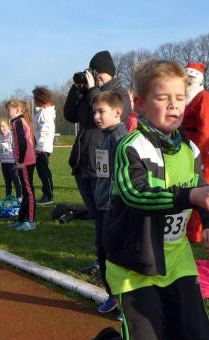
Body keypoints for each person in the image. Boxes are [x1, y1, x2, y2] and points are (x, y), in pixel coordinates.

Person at [81, 59, 209, 340]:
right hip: (135, 264)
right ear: (140, 104)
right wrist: (188, 197)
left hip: (177, 261)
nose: (174, 104)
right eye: (163, 97)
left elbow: (203, 191)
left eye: (180, 97)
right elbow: (135, 194)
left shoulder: (190, 149)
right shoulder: (130, 147)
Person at [64, 50, 132, 274]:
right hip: (83, 161)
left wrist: (94, 89)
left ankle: (108, 263)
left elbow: (115, 116)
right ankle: (101, 260)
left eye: (99, 73)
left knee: (106, 218)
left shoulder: (118, 93)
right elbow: (70, 115)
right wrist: (77, 89)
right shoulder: (90, 91)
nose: (96, 77)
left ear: (108, 72)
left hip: (101, 166)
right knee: (97, 217)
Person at [91, 90, 128, 314]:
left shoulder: (120, 138)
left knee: (115, 254)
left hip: (113, 206)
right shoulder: (105, 136)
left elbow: (122, 175)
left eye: (101, 111)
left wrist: (115, 203)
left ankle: (125, 301)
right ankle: (114, 295)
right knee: (103, 250)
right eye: (94, 112)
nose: (96, 116)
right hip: (103, 203)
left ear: (117, 112)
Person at [181, 62, 209, 243]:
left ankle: (195, 232)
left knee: (199, 188)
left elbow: (206, 131)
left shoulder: (205, 99)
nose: (188, 82)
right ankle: (187, 227)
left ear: (198, 79)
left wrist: (199, 158)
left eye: (191, 78)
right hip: (187, 148)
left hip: (200, 150)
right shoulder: (187, 98)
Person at [6, 99, 37, 231]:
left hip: (25, 162)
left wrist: (20, 161)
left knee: (28, 192)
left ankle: (30, 221)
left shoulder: (18, 122)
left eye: (9, 110)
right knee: (25, 191)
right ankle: (22, 219)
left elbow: (23, 143)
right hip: (25, 161)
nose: (8, 113)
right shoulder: (18, 121)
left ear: (17, 109)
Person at [32, 86, 56, 205]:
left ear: (39, 98)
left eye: (34, 97)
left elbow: (44, 132)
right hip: (41, 146)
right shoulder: (43, 111)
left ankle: (48, 196)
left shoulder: (45, 113)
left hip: (42, 147)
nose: (33, 100)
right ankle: (46, 194)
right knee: (42, 172)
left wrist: (38, 148)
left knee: (44, 172)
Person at [0, 117, 21, 203]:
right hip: (4, 163)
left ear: (8, 126)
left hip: (12, 163)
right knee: (7, 182)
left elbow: (16, 149)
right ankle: (8, 197)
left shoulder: (12, 136)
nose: (1, 129)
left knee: (15, 181)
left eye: (3, 126)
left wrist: (17, 161)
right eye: (0, 127)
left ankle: (19, 197)